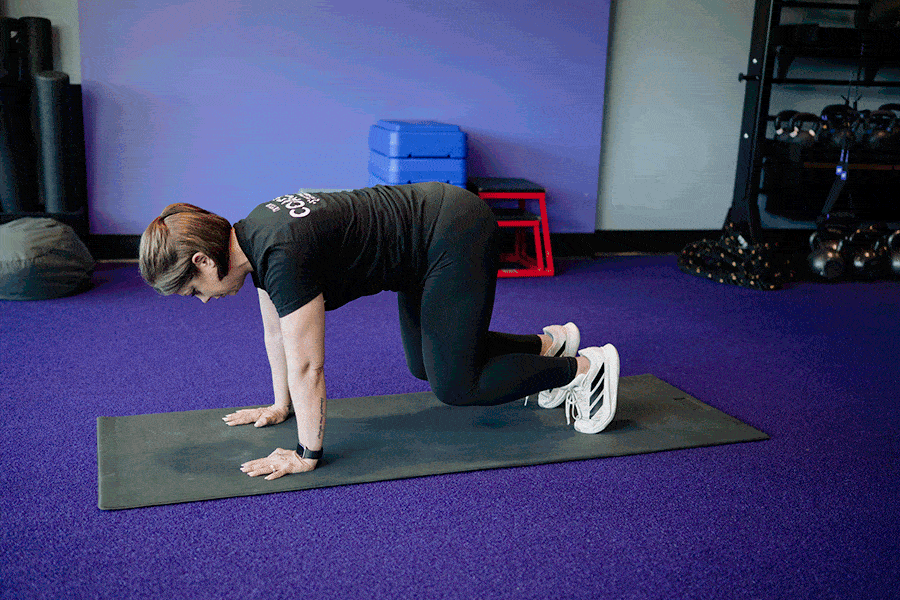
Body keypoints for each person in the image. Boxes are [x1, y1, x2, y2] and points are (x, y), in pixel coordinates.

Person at [139, 182, 619, 480]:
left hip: (452, 232)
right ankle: (549, 346)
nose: (203, 300)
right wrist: (281, 405)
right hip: (422, 244)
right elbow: (276, 335)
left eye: (193, 289)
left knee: (457, 385)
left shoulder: (282, 256)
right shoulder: (254, 236)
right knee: (424, 365)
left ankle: (585, 370)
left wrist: (306, 453)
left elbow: (309, 365)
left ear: (204, 260)